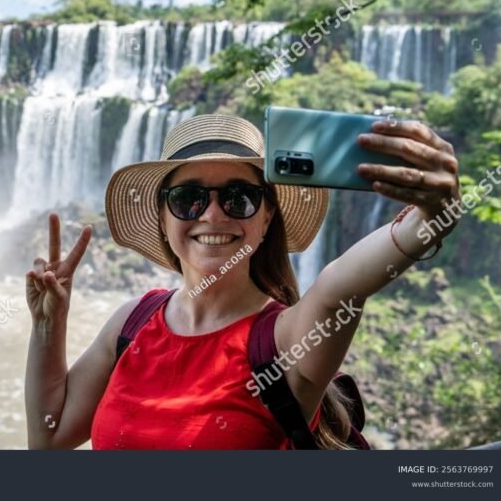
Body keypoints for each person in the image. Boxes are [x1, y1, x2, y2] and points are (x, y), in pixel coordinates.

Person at [25, 113, 460, 449]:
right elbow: (49, 439)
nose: (213, 215)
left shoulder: (287, 340)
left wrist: (434, 212)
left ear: (267, 215)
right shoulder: (131, 324)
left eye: (239, 197)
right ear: (163, 215)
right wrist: (48, 325)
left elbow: (344, 283)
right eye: (189, 198)